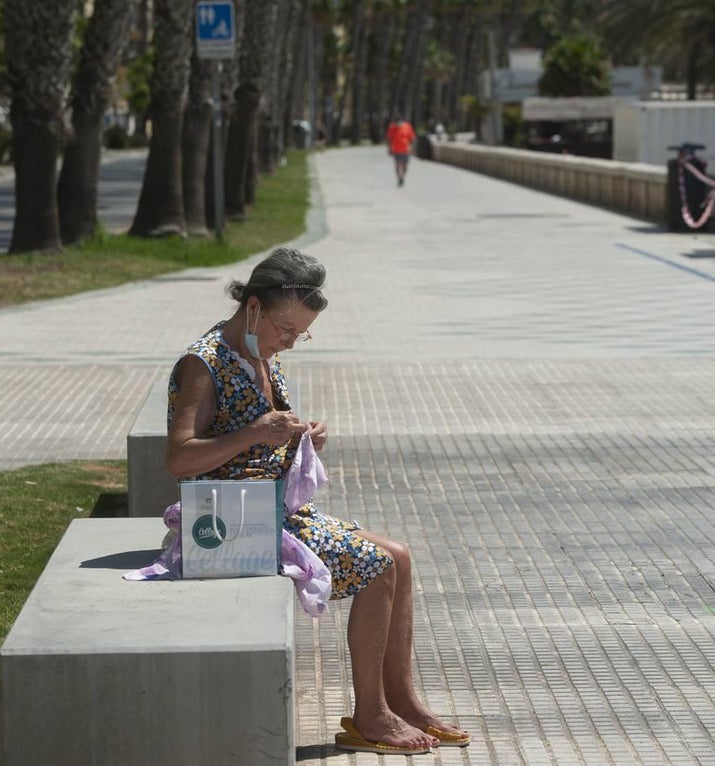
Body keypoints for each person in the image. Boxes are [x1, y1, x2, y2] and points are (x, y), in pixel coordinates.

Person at [165, 247, 470, 756]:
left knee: (399, 554)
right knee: (377, 568)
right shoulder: (204, 363)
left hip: (271, 510)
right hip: (230, 520)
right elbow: (178, 458)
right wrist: (255, 433)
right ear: (255, 307)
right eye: (288, 329)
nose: (290, 341)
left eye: (300, 333)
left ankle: (401, 699)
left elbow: (258, 435)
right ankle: (370, 716)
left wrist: (300, 437)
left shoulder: (258, 354)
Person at [385, 114, 416, 187]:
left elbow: (412, 138)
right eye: (396, 122)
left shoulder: (407, 126)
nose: (397, 124)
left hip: (406, 150)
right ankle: (399, 177)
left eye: (398, 122)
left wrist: (413, 148)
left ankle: (403, 177)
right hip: (396, 150)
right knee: (397, 164)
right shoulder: (392, 127)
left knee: (405, 166)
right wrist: (389, 149)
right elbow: (389, 139)